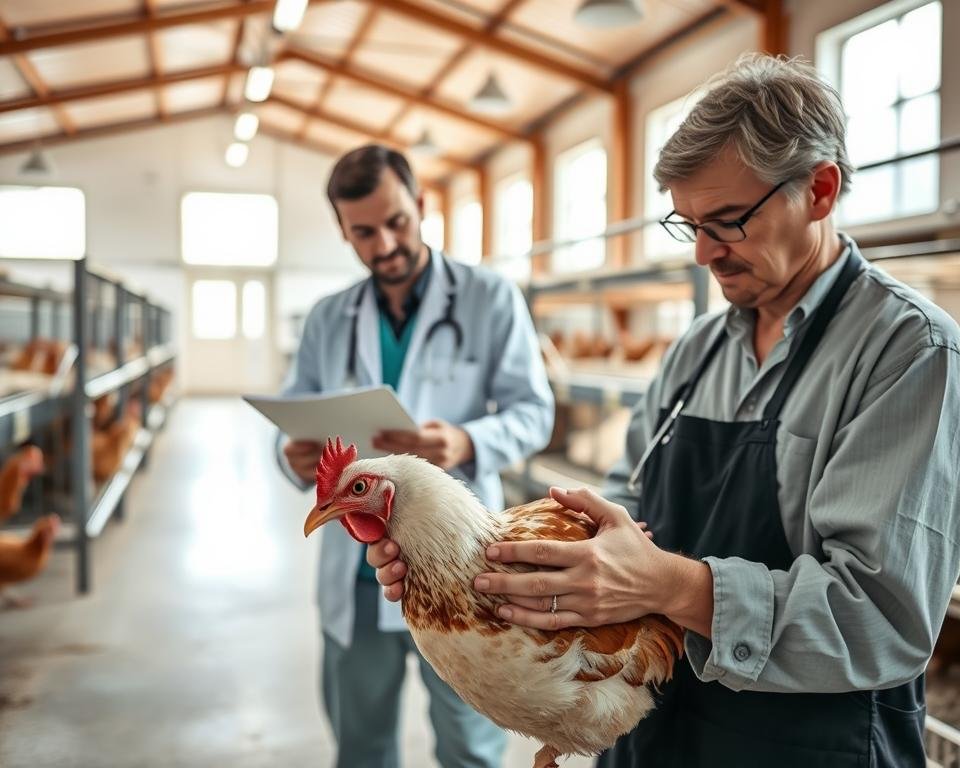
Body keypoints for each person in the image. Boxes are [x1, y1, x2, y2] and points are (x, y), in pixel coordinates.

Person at [369, 54, 960, 768]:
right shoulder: (698, 350)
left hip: (809, 745)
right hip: (662, 733)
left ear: (821, 190)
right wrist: (477, 568)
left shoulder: (907, 353)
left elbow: (882, 619)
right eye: (690, 225)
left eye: (729, 221)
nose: (706, 252)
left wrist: (667, 584)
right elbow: (625, 501)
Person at [277, 144, 555, 768]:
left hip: (461, 573)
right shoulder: (329, 318)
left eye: (397, 222)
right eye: (364, 233)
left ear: (421, 206)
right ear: (344, 232)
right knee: (361, 746)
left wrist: (467, 441)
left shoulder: (490, 298)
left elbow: (535, 411)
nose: (384, 246)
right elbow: (291, 414)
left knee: (470, 750)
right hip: (358, 572)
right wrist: (290, 454)